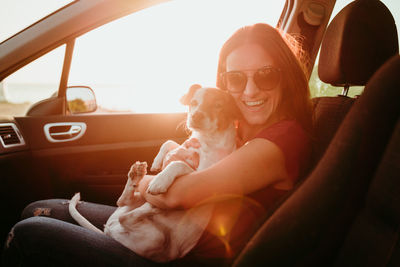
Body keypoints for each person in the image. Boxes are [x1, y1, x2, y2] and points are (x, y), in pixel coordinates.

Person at [2, 23, 313, 266]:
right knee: (39, 210)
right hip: (162, 229)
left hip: (178, 256)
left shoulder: (283, 139)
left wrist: (145, 181)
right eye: (235, 79)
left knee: (28, 234)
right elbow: (187, 159)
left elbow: (177, 195)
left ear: (286, 77)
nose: (248, 90)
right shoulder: (240, 126)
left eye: (266, 75)